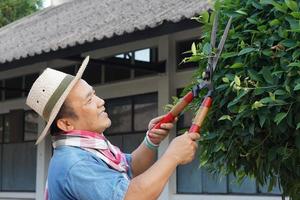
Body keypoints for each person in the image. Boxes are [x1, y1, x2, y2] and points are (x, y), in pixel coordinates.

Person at [26, 56, 200, 200]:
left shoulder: (90, 149)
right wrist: (173, 156)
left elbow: (130, 167)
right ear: (66, 124)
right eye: (89, 100)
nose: (100, 101)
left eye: (93, 94)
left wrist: (151, 140)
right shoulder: (75, 163)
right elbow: (131, 196)